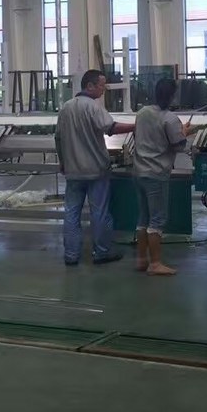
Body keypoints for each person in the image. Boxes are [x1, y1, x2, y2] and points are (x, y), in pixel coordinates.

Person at [56, 69, 134, 266]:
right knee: (99, 212)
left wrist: (63, 161)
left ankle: (71, 255)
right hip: (96, 170)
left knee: (71, 213)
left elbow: (58, 138)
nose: (103, 89)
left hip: (73, 171)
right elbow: (111, 128)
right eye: (101, 85)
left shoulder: (66, 108)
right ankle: (101, 252)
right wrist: (136, 125)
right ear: (89, 86)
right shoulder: (93, 107)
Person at [132, 77, 192, 276]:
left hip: (139, 172)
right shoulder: (170, 118)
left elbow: (138, 135)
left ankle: (141, 260)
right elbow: (178, 145)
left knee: (143, 217)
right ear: (172, 96)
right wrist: (184, 132)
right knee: (157, 219)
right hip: (156, 174)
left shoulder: (142, 113)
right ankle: (155, 263)